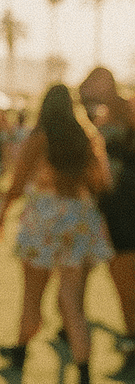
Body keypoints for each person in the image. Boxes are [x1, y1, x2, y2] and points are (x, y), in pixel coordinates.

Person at [0, 83, 112, 384]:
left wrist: (0, 219)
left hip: (43, 220)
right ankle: (84, 377)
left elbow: (17, 183)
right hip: (79, 219)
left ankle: (20, 352)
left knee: (32, 297)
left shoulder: (39, 138)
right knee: (73, 303)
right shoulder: (87, 136)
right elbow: (103, 181)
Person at [78, 66, 135, 368]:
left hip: (123, 208)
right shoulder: (101, 115)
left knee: (125, 283)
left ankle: (132, 343)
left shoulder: (124, 111)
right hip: (110, 207)